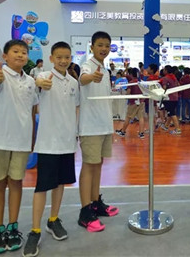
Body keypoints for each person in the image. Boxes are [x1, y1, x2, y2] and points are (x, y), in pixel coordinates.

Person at [0, 40, 39, 254]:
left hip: (21, 141)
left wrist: (31, 138)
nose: (20, 55)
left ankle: (13, 227)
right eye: (15, 51)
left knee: (16, 182)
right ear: (5, 56)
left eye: (24, 52)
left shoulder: (31, 81)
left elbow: (32, 111)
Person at [23, 42, 79, 257]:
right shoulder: (43, 77)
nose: (63, 61)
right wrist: (38, 82)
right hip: (47, 143)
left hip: (67, 142)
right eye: (59, 57)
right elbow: (34, 85)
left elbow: (76, 109)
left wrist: (75, 134)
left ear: (71, 58)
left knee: (60, 183)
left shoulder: (73, 82)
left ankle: (53, 219)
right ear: (51, 58)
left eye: (67, 57)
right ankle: (35, 230)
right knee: (42, 187)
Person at [77, 31, 119, 232]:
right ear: (92, 46)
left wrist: (111, 127)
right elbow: (83, 78)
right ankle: (85, 211)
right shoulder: (88, 65)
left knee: (98, 164)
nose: (104, 49)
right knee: (89, 165)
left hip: (104, 125)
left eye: (107, 45)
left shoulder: (105, 69)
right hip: (90, 126)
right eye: (100, 45)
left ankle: (95, 202)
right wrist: (91, 77)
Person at [115, 67, 148, 139]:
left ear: (131, 74)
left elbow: (128, 92)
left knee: (128, 117)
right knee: (141, 117)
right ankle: (141, 133)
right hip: (141, 102)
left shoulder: (131, 83)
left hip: (133, 102)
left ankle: (123, 131)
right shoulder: (141, 82)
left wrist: (126, 95)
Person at [162, 65, 182, 135]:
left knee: (172, 113)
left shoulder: (165, 78)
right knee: (170, 113)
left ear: (166, 71)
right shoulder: (174, 78)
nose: (163, 71)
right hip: (175, 97)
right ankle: (166, 126)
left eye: (164, 69)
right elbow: (178, 85)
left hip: (169, 98)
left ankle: (177, 129)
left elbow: (164, 88)